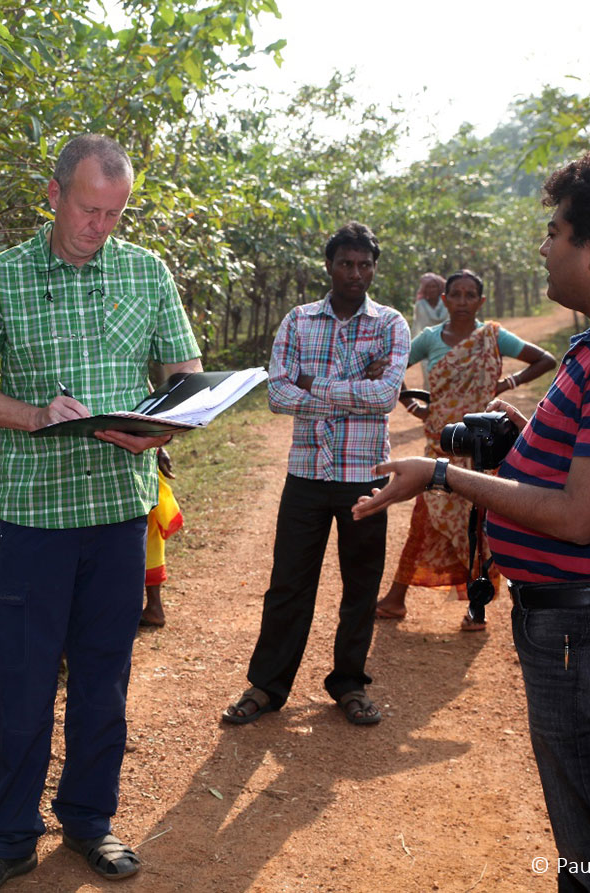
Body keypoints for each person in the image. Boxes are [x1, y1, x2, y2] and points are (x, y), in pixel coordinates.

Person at [354, 152, 590, 891]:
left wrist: (441, 474)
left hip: (587, 630)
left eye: (555, 232)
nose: (543, 248)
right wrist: (530, 437)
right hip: (584, 623)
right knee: (587, 838)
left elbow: (578, 516)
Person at [0, 133, 202, 891]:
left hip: (120, 511)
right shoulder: (4, 277)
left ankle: (89, 821)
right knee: (21, 684)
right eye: (89, 210)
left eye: (114, 214)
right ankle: (7, 839)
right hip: (35, 519)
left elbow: (184, 372)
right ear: (55, 195)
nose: (100, 227)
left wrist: (158, 425)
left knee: (102, 679)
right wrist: (33, 416)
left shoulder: (145, 270)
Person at [221, 221, 410, 728]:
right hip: (306, 475)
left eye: (364, 264)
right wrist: (352, 384)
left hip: (365, 475)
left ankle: (349, 684)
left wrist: (312, 382)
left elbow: (385, 397)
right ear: (329, 266)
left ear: (374, 268)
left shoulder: (390, 324)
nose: (355, 273)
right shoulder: (299, 321)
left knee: (361, 586)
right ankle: (267, 686)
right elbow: (277, 394)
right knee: (288, 584)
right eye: (346, 263)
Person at [374, 270, 556, 630]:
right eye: (455, 294)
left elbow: (545, 360)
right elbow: (391, 370)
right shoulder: (430, 338)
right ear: (444, 300)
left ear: (481, 301)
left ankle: (476, 608)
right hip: (440, 444)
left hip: (481, 448)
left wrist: (505, 384)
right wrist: (413, 406)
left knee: (480, 524)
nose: (461, 301)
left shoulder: (493, 337)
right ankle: (396, 599)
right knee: (426, 518)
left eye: (470, 295)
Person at [141, 446, 183, 628]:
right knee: (150, 538)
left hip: (130, 470)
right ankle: (154, 606)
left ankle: (151, 607)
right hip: (144, 467)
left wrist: (158, 448)